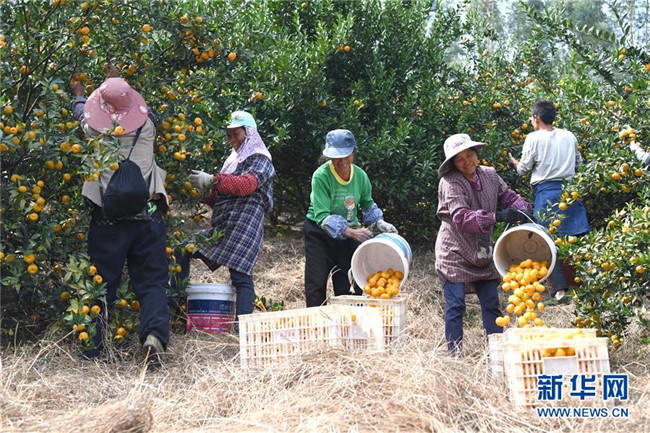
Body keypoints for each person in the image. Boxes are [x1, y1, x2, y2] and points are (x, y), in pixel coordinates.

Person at [69, 64, 170, 360]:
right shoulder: (148, 126)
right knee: (151, 280)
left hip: (108, 219)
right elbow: (143, 110)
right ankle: (154, 336)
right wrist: (116, 81)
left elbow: (81, 112)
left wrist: (79, 93)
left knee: (102, 282)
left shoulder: (93, 131)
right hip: (147, 215)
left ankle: (94, 346)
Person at [436, 133, 532, 355]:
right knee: (456, 305)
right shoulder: (450, 182)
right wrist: (497, 217)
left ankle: (496, 353)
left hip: (482, 252)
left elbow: (508, 197)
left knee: (491, 303)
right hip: (455, 252)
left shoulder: (489, 175)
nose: (467, 162)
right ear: (452, 164)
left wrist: (525, 211)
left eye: (470, 155)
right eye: (460, 159)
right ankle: (454, 355)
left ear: (476, 154)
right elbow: (461, 218)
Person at [185, 111, 276, 322]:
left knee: (240, 276)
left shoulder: (261, 159)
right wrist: (203, 192)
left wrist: (213, 180)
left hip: (245, 225)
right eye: (229, 135)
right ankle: (177, 306)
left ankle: (241, 328)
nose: (232, 140)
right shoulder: (233, 161)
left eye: (236, 134)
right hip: (225, 226)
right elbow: (221, 197)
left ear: (249, 133)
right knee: (184, 249)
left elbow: (246, 185)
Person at [304, 129, 398, 307]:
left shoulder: (360, 176)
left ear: (354, 152)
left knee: (349, 286)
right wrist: (350, 232)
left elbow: (367, 204)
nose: (341, 161)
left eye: (346, 155)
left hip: (348, 236)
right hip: (319, 234)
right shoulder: (321, 176)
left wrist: (379, 222)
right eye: (336, 157)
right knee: (316, 284)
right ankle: (317, 321)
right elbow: (322, 216)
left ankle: (349, 322)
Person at [508, 99, 590, 304]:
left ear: (536, 118)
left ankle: (560, 291)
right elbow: (579, 163)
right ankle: (590, 283)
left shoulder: (533, 138)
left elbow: (523, 170)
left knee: (548, 240)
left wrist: (514, 163)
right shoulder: (569, 136)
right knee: (577, 236)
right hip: (570, 191)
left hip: (546, 193)